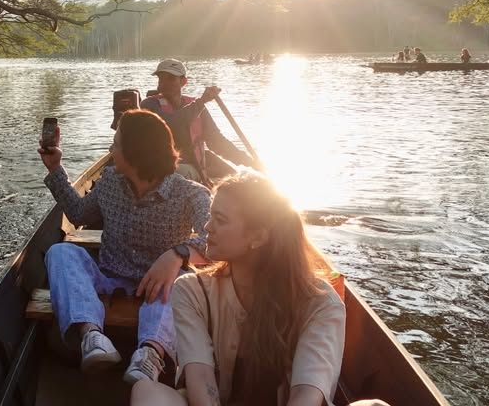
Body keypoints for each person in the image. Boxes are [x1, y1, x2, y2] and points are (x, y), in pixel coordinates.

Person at [131, 171, 349, 406]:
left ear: (258, 237)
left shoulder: (320, 302)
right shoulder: (192, 291)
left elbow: (306, 396)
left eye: (220, 220)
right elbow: (201, 378)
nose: (207, 227)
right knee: (147, 392)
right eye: (210, 216)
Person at [40, 109, 211, 386]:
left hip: (159, 288)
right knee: (60, 252)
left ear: (136, 152)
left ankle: (150, 355)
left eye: (117, 144)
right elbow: (79, 215)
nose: (111, 149)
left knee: (184, 282)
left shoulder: (191, 193)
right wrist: (54, 168)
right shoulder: (110, 181)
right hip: (108, 277)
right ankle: (92, 337)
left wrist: (177, 254)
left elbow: (215, 243)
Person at [140, 59, 257, 185]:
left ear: (183, 82)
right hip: (165, 170)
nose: (164, 82)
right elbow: (170, 123)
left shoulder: (197, 107)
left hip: (196, 165)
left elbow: (217, 142)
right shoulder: (149, 104)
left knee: (240, 179)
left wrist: (250, 162)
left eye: (171, 78)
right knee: (182, 171)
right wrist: (202, 101)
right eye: (161, 78)